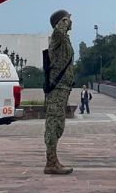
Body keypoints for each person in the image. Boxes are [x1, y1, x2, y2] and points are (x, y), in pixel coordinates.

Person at [43, 9, 75, 174]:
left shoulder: (64, 39)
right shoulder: (57, 36)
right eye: (68, 19)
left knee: (58, 124)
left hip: (63, 88)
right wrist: (64, 20)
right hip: (57, 88)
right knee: (54, 124)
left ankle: (53, 160)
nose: (71, 21)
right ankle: (51, 162)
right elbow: (60, 30)